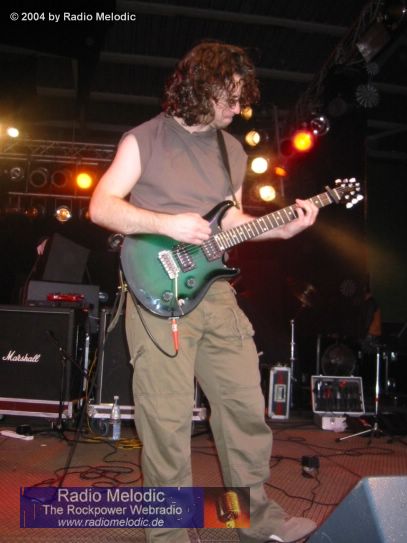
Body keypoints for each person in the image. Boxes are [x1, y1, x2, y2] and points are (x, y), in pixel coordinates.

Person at [90, 41, 318, 543]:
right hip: (156, 294)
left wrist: (280, 228)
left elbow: (229, 220)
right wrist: (165, 223)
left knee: (244, 407)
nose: (239, 108)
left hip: (214, 292)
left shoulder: (230, 149)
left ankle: (254, 518)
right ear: (203, 85)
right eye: (231, 96)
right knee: (166, 419)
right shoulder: (143, 139)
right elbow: (102, 207)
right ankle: (170, 534)